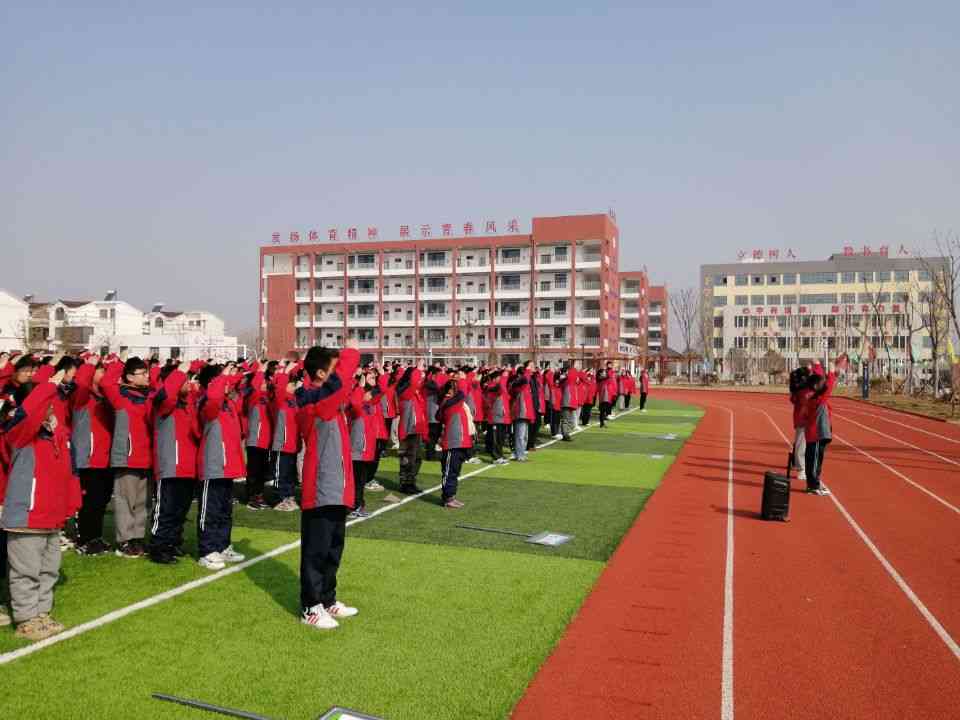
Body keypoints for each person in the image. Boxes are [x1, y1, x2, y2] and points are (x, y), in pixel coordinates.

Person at [1, 372, 82, 640]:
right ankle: (26, 618)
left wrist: (70, 505)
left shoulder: (55, 434)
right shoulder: (19, 432)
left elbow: (67, 473)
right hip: (27, 516)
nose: (50, 407)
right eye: (46, 403)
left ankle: (41, 613)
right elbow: (29, 412)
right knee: (25, 571)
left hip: (51, 518)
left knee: (48, 570)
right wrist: (48, 385)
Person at [297, 340, 360, 630]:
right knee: (316, 551)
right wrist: (351, 352)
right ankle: (310, 606)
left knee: (333, 548)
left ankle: (327, 598)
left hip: (338, 486)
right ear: (322, 374)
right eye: (334, 369)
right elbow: (341, 383)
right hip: (320, 488)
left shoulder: (330, 399)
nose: (339, 375)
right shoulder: (311, 400)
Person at [100, 355, 154, 558]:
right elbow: (106, 382)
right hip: (129, 457)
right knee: (125, 501)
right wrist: (119, 363)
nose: (147, 376)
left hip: (147, 457)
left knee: (143, 502)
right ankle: (124, 540)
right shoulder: (121, 397)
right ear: (130, 377)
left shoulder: (148, 395)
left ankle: (137, 537)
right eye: (142, 373)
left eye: (147, 372)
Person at [196, 364, 247, 570]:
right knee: (210, 510)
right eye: (221, 380)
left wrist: (235, 377)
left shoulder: (227, 403)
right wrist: (221, 380)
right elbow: (213, 401)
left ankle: (222, 545)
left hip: (227, 466)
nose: (227, 383)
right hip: (212, 465)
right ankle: (207, 551)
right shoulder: (206, 402)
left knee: (225, 510)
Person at [148, 362, 200, 564]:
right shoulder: (162, 402)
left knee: (180, 510)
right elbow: (167, 394)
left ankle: (173, 542)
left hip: (187, 466)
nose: (189, 383)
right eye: (184, 380)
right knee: (166, 509)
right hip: (170, 465)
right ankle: (159, 546)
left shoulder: (187, 403)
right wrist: (179, 373)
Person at [71, 355, 115, 555]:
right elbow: (81, 383)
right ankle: (85, 539)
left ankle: (95, 537)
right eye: (100, 370)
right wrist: (88, 365)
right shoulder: (82, 397)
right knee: (89, 502)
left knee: (101, 501)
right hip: (88, 458)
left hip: (106, 457)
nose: (103, 373)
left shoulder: (104, 397)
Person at [803, 355, 846, 496]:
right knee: (814, 461)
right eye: (821, 383)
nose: (823, 384)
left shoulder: (810, 394)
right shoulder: (817, 398)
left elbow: (820, 381)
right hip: (816, 435)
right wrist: (832, 373)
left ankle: (813, 483)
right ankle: (813, 486)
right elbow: (827, 388)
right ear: (816, 386)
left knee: (813, 460)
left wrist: (818, 366)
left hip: (813, 434)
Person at [270, 362, 302, 511]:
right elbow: (279, 388)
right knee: (280, 472)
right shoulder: (280, 399)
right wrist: (286, 371)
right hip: (282, 443)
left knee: (290, 473)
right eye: (292, 384)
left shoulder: (294, 400)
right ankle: (278, 499)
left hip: (293, 443)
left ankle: (288, 495)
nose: (294, 387)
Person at [347, 371, 380, 519]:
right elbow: (354, 402)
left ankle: (359, 505)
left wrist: (379, 376)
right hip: (357, 451)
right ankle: (353, 507)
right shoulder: (357, 407)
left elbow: (382, 391)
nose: (370, 395)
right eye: (368, 393)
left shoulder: (369, 405)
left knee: (360, 481)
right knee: (356, 481)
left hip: (366, 451)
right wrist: (360, 387)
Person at [243, 361, 274, 510]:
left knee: (262, 471)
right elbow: (255, 387)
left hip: (266, 440)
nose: (265, 384)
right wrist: (260, 371)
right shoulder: (253, 397)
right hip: (255, 440)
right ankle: (251, 496)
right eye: (263, 382)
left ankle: (259, 495)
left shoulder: (268, 397)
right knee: (254, 471)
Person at [437, 379, 472, 508]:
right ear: (449, 391)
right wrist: (462, 378)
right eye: (454, 388)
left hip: (459, 441)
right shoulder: (449, 402)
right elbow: (463, 393)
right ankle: (447, 498)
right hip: (453, 442)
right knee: (449, 471)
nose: (457, 390)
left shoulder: (454, 402)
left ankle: (451, 496)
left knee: (454, 471)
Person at [396, 364, 427, 494]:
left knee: (417, 458)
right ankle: (406, 483)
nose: (420, 380)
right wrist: (418, 370)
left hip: (415, 430)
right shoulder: (405, 393)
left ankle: (411, 481)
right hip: (408, 430)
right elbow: (414, 382)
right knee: (408, 458)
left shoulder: (415, 394)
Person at [788, 366, 811, 483]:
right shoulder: (804, 391)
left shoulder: (798, 389)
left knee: (800, 443)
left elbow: (793, 399)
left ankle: (797, 462)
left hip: (800, 420)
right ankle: (801, 469)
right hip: (803, 420)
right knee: (802, 444)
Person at [509, 365, 534, 462]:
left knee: (524, 436)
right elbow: (525, 378)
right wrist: (527, 370)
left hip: (526, 412)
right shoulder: (518, 385)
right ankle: (519, 455)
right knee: (520, 435)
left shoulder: (523, 384)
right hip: (521, 412)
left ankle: (521, 453)